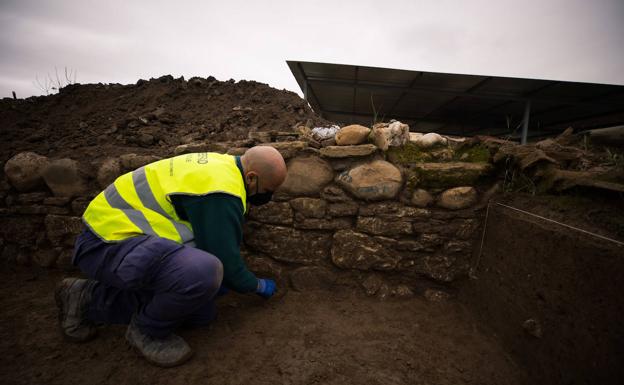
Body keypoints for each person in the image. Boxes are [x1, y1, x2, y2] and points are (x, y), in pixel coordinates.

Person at [54, 146, 287, 367]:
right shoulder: (222, 192)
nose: (268, 198)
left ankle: (86, 299)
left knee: (200, 312)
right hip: (107, 241)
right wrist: (255, 285)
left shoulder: (224, 166)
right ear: (252, 178)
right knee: (204, 273)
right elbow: (226, 261)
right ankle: (146, 331)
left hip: (125, 237)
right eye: (267, 191)